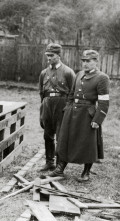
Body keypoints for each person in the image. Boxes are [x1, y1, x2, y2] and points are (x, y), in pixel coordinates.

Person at [51, 50, 110, 182]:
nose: (85, 64)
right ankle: (60, 168)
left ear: (96, 61)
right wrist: (68, 108)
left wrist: (98, 119)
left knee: (88, 143)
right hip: (72, 112)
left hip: (88, 114)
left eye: (88, 61)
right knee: (65, 139)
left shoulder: (102, 78)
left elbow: (104, 102)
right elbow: (71, 94)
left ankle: (86, 172)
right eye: (83, 61)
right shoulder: (79, 74)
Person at [38, 43, 75, 171]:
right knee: (47, 135)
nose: (48, 58)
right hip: (48, 104)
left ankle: (60, 165)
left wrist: (68, 109)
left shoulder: (68, 72)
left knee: (61, 136)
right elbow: (41, 92)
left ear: (58, 55)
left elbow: (73, 92)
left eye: (51, 55)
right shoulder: (44, 73)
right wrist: (43, 108)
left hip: (62, 104)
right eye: (47, 55)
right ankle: (49, 162)